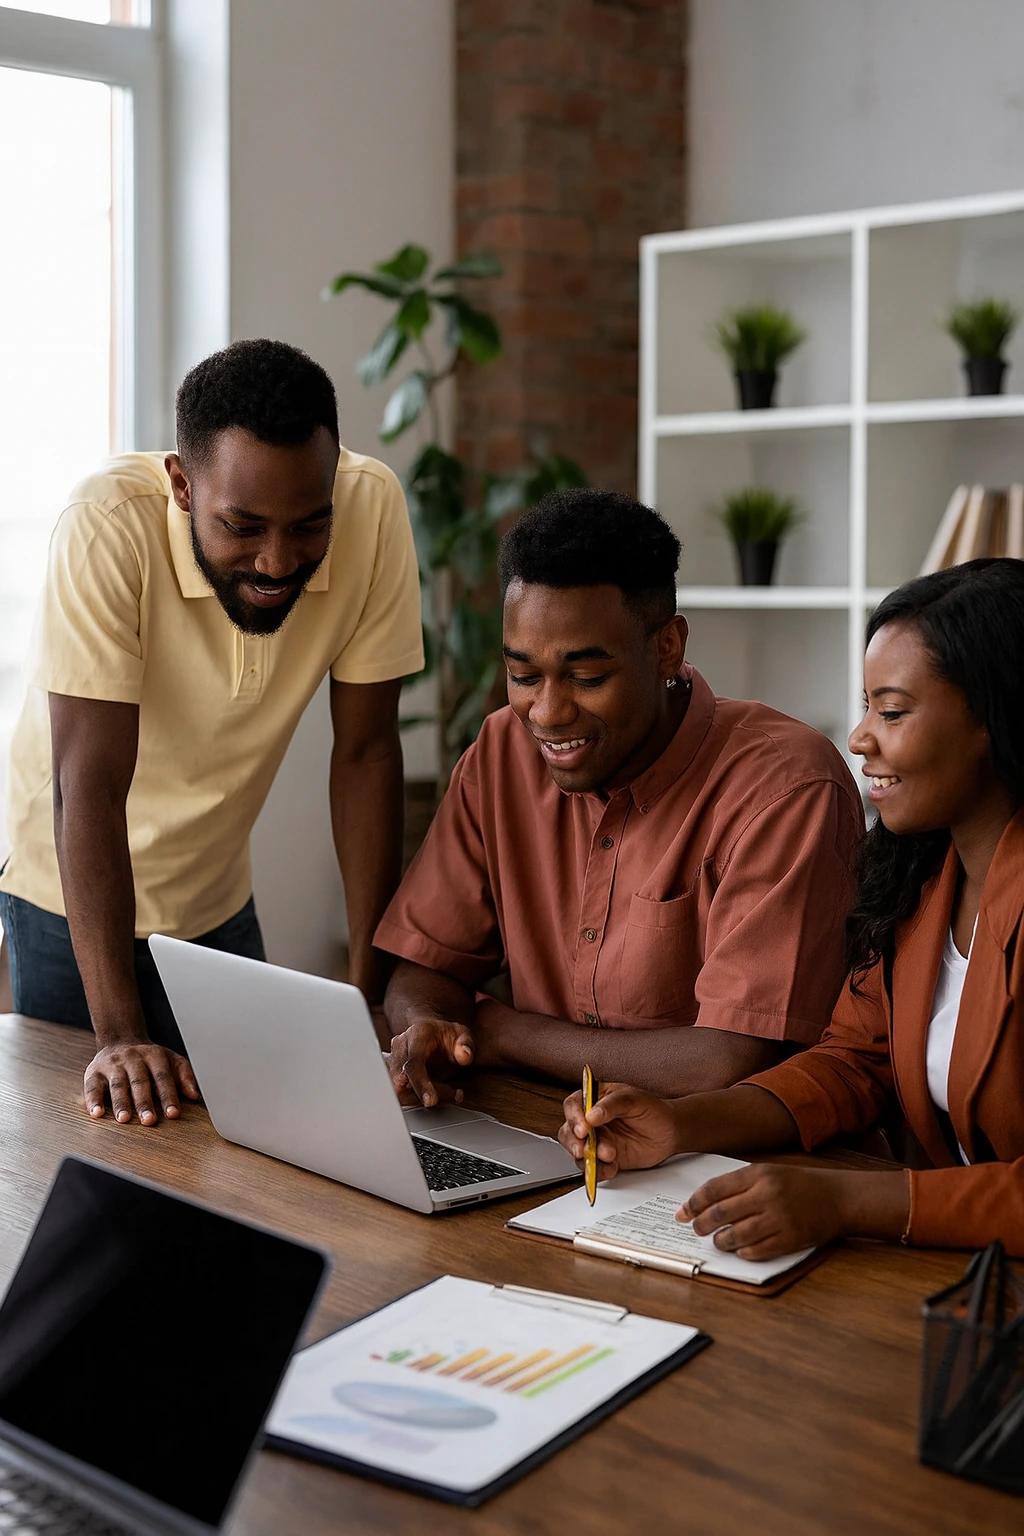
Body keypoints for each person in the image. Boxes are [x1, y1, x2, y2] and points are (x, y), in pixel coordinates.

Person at [0, 339, 423, 1129]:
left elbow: (366, 753)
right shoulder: (105, 525)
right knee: (89, 1161)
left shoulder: (373, 508)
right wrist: (120, 1035)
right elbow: (87, 787)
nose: (278, 560)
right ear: (182, 484)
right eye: (243, 525)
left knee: (250, 1158)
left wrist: (370, 991)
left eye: (308, 525)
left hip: (215, 897)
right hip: (69, 902)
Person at [558, 558, 1024, 1258]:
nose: (861, 738)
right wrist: (683, 1125)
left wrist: (845, 1200)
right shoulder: (923, 874)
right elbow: (851, 1064)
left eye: (891, 712)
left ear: (995, 717)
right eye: (865, 706)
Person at [376, 488, 864, 1108]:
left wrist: (502, 1032)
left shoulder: (785, 789)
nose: (547, 713)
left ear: (668, 646)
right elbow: (424, 964)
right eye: (523, 675)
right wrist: (427, 1023)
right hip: (546, 1130)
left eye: (587, 677)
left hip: (727, 1168)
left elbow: (730, 1061)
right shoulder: (501, 751)